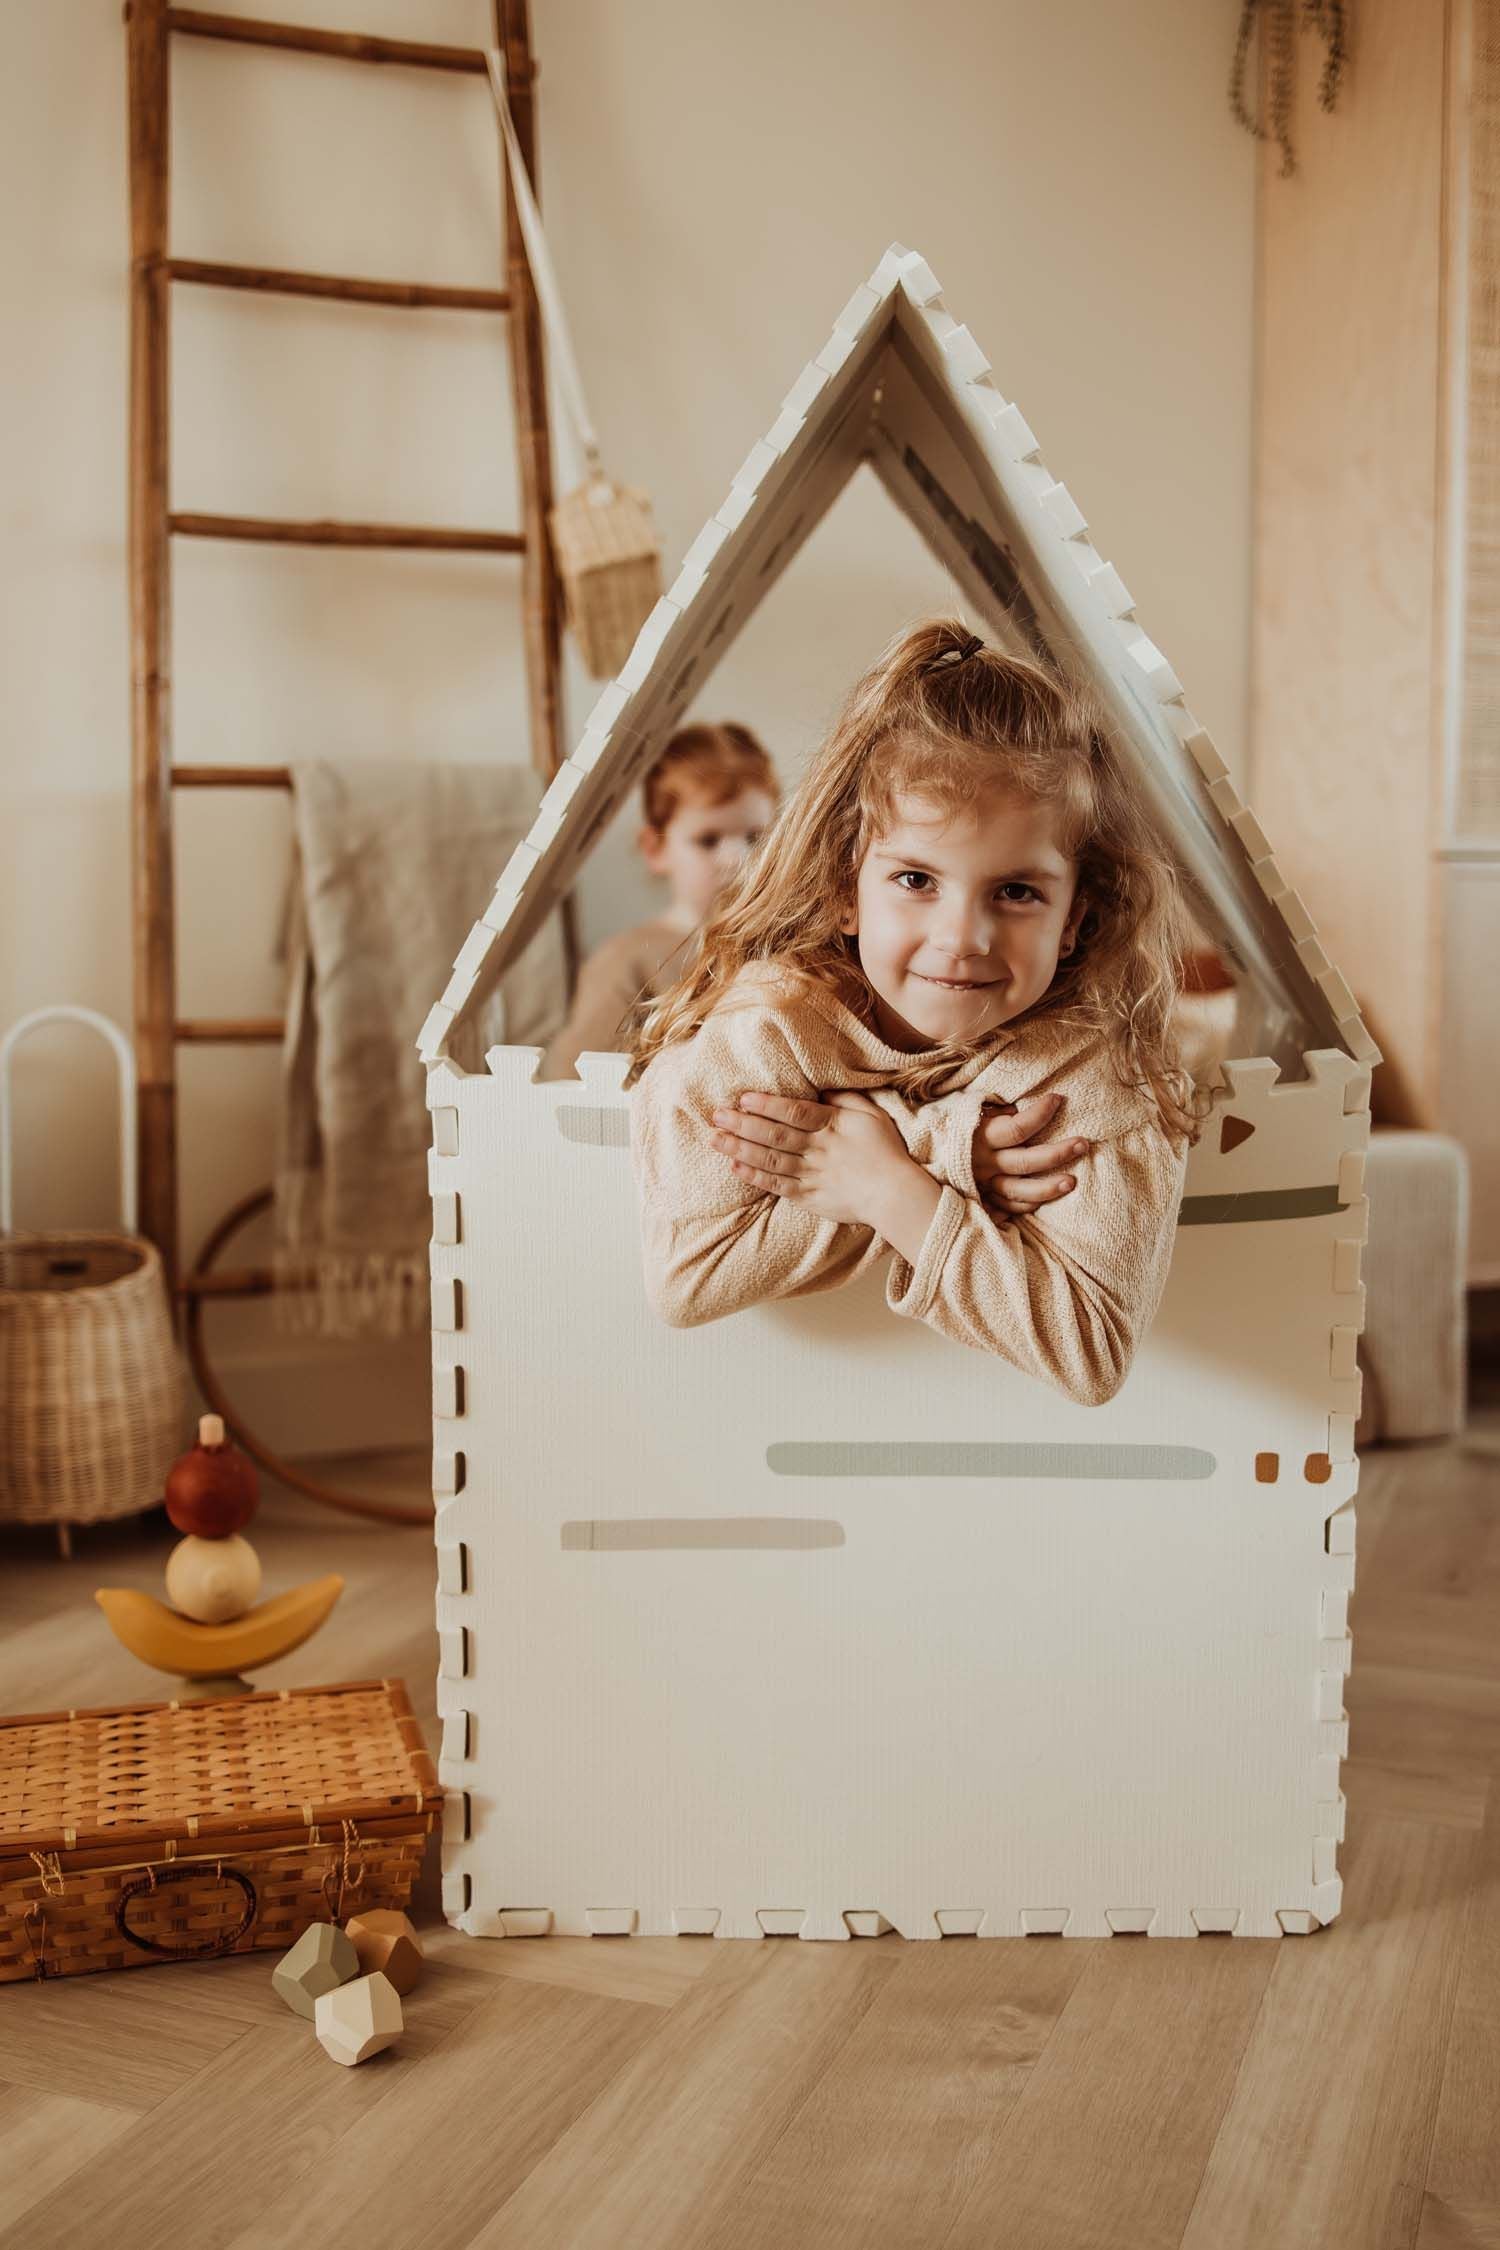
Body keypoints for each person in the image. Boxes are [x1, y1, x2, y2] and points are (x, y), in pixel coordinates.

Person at [629, 620, 1199, 1407]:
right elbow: (688, 1279)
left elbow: (1091, 1351)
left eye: (1017, 892)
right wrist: (942, 1156)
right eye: (916, 881)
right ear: (844, 888)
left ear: (1074, 918)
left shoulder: (1095, 1077)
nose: (961, 939)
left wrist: (893, 1188)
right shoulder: (769, 1030)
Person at [539, 722, 778, 1081]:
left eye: (756, 837)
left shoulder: (782, 945)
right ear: (656, 848)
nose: (737, 859)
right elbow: (571, 1083)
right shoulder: (626, 960)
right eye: (708, 840)